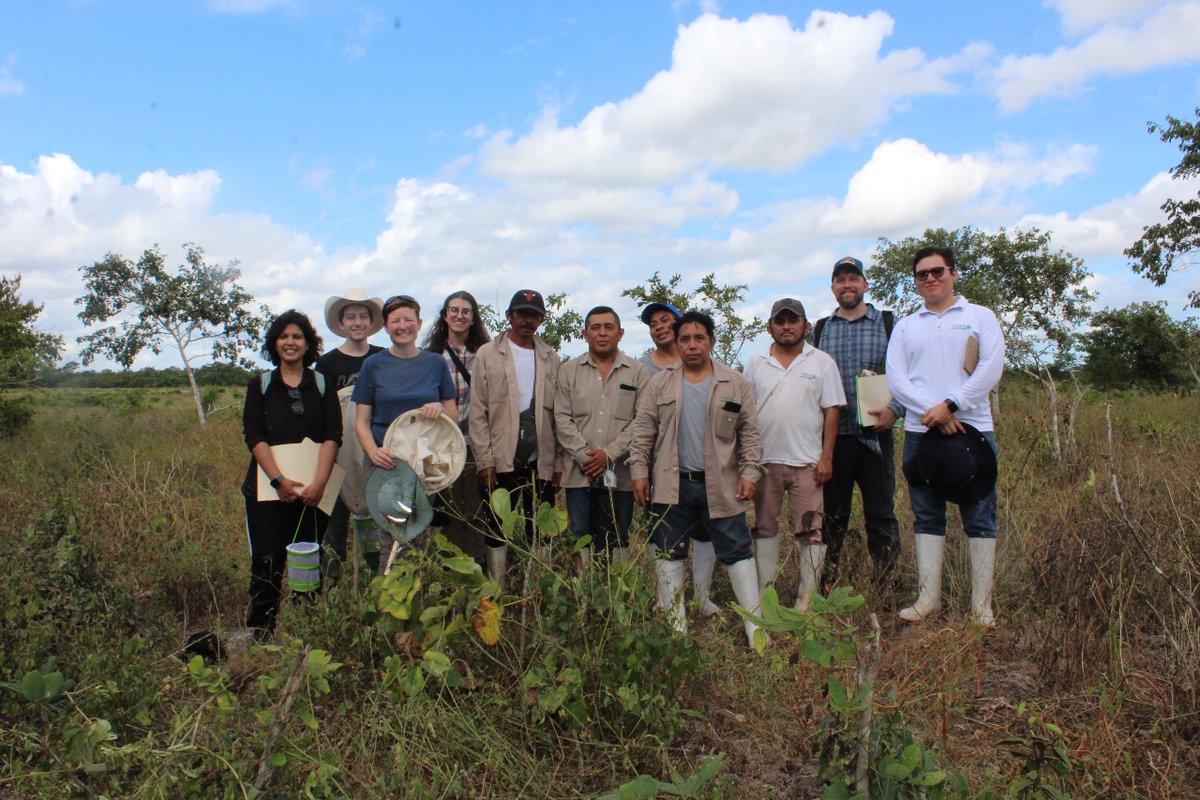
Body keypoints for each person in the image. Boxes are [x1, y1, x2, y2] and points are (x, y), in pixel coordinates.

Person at [628, 310, 763, 647]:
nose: (691, 345)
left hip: (722, 485)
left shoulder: (734, 382)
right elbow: (643, 431)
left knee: (737, 551)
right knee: (668, 552)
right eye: (684, 339)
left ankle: (756, 630)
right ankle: (677, 629)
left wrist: (749, 472)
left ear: (711, 341)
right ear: (677, 342)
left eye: (698, 338)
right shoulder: (659, 383)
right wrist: (639, 473)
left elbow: (750, 434)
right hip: (671, 485)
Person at [887, 245, 1004, 626]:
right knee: (926, 514)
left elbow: (990, 367)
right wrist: (933, 412)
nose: (931, 279)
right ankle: (928, 599)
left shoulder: (980, 316)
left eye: (937, 271)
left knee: (980, 514)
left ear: (953, 273)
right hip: (922, 433)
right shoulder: (906, 326)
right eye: (922, 274)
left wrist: (952, 404)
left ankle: (980, 605)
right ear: (916, 281)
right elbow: (897, 379)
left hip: (973, 429)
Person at [242, 309, 341, 636]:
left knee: (307, 561)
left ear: (308, 343)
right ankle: (261, 634)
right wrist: (279, 480)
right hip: (268, 490)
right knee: (267, 561)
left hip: (313, 492)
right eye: (284, 336)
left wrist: (320, 484)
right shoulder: (260, 386)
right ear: (274, 343)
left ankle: (306, 631)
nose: (290, 342)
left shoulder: (322, 385)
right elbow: (254, 437)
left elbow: (332, 436)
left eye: (297, 336)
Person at [744, 298, 844, 611]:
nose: (787, 326)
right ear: (769, 326)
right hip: (765, 462)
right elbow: (746, 414)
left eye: (793, 320)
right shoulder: (756, 363)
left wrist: (826, 457)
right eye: (780, 320)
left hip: (808, 465)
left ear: (806, 325)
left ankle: (806, 599)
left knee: (811, 531)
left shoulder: (822, 362)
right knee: (764, 526)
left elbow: (832, 411)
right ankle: (765, 594)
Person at [812, 257, 904, 594]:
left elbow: (908, 376)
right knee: (833, 517)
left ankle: (887, 586)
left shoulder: (889, 324)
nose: (847, 285)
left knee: (881, 513)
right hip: (833, 441)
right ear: (833, 287)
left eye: (854, 278)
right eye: (840, 280)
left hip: (875, 438)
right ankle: (828, 584)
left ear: (865, 284)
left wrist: (896, 410)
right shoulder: (821, 329)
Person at [352, 295, 457, 573]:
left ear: (419, 324)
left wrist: (439, 408)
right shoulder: (373, 365)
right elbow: (361, 421)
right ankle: (384, 595)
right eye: (395, 321)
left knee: (415, 534)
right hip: (384, 460)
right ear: (385, 327)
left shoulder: (435, 363)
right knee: (386, 533)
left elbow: (453, 415)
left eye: (409, 319)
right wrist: (373, 452)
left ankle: (412, 596)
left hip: (423, 462)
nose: (403, 326)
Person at [469, 289, 563, 591]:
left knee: (541, 526)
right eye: (521, 313)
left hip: (541, 459)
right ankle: (498, 587)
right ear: (509, 315)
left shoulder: (551, 358)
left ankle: (535, 588)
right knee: (497, 525)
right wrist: (485, 460)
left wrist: (558, 460)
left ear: (541, 320)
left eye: (533, 314)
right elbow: (479, 411)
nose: (527, 320)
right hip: (500, 458)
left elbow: (558, 415)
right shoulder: (487, 354)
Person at [639, 301, 721, 617]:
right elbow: (642, 422)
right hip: (660, 468)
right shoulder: (643, 369)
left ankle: (701, 597)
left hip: (703, 468)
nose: (660, 327)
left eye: (666, 320)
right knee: (660, 532)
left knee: (705, 531)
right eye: (653, 323)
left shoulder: (709, 366)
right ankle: (666, 598)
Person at [555, 306, 650, 565]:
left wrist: (609, 453)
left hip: (619, 473)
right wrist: (584, 456)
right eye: (595, 327)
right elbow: (562, 418)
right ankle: (585, 593)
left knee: (617, 534)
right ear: (585, 333)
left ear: (620, 333)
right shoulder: (568, 370)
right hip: (579, 472)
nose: (602, 333)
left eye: (609, 327)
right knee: (580, 533)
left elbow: (641, 420)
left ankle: (616, 591)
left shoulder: (638, 372)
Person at [315, 288, 384, 582]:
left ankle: (370, 583)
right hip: (336, 454)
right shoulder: (327, 364)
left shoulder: (382, 358)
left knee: (372, 523)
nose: (357, 322)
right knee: (334, 524)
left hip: (373, 453)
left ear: (370, 322)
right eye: (351, 317)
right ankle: (331, 586)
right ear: (341, 324)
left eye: (363, 316)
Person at [422, 290, 492, 563]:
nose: (459, 316)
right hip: (441, 444)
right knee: (447, 508)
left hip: (476, 443)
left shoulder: (484, 355)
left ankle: (476, 567)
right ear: (444, 315)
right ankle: (450, 570)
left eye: (466, 311)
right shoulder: (431, 356)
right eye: (454, 310)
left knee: (475, 507)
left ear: (474, 318)